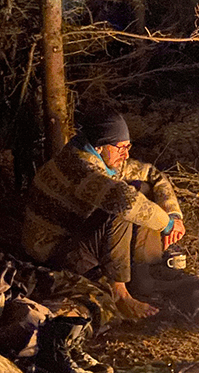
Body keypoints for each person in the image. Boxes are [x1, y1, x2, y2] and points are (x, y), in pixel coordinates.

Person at [21, 106, 186, 321]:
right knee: (121, 209)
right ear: (99, 147)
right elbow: (124, 202)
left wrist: (173, 215)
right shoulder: (80, 166)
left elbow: (154, 175)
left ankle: (142, 272)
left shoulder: (102, 158)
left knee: (142, 187)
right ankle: (120, 294)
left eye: (128, 146)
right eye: (120, 148)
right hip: (53, 250)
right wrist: (166, 225)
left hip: (76, 237)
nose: (126, 154)